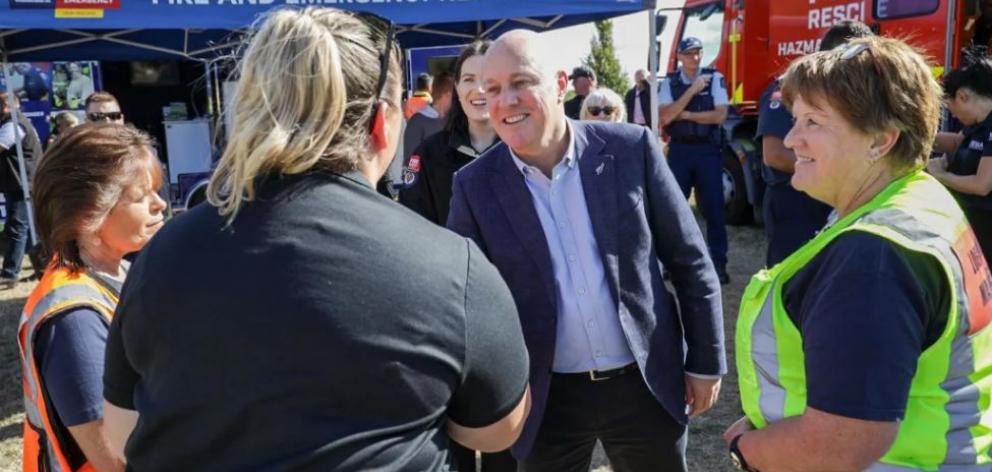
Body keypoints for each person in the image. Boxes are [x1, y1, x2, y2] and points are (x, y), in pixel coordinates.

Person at [101, 8, 530, 470]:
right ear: (381, 125)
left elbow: (121, 432)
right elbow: (495, 428)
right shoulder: (450, 267)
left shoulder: (161, 256)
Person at [449, 29, 726, 471]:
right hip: (545, 396)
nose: (506, 101)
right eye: (494, 89)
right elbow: (467, 304)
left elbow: (689, 260)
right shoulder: (474, 186)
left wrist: (706, 361)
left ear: (560, 83)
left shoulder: (629, 148)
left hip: (644, 383)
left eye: (522, 82)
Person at [725, 36, 992, 471]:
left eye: (813, 121)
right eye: (795, 119)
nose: (791, 139)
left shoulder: (873, 257)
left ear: (880, 140)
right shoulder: (914, 199)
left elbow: (840, 444)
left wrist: (747, 450)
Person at [18, 122, 166, 472]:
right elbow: (113, 459)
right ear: (88, 215)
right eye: (142, 196)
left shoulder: (116, 273)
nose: (159, 204)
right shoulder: (74, 320)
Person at [756, 20, 873, 266]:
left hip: (828, 196)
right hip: (794, 201)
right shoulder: (788, 88)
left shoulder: (844, 96)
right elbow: (774, 154)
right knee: (792, 277)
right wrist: (840, 171)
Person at [400, 41, 501, 229]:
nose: (479, 89)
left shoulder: (523, 151)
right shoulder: (427, 154)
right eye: (469, 79)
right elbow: (412, 221)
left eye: (488, 79)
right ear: (457, 88)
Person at [658, 36, 731, 283]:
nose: (695, 57)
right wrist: (692, 91)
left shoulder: (715, 78)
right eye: (689, 53)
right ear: (679, 56)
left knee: (714, 209)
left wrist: (685, 113)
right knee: (675, 209)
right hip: (680, 151)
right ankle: (674, 264)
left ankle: (718, 265)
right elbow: (666, 117)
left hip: (708, 151)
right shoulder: (669, 82)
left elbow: (720, 116)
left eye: (698, 52)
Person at [928, 49, 992, 265]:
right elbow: (957, 141)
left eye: (951, 108)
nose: (953, 115)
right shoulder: (978, 123)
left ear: (963, 96)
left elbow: (981, 185)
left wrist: (939, 175)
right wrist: (914, 137)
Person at [0, 91, 42, 289]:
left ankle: (9, 274)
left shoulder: (14, 123)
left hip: (22, 184)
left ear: (8, 105)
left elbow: (1, 145)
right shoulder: (14, 121)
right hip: (21, 183)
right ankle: (41, 270)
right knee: (32, 230)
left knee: (17, 229)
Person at [402, 71, 455, 166]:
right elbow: (411, 160)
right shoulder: (417, 123)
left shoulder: (454, 120)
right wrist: (412, 179)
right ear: (447, 95)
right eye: (456, 96)